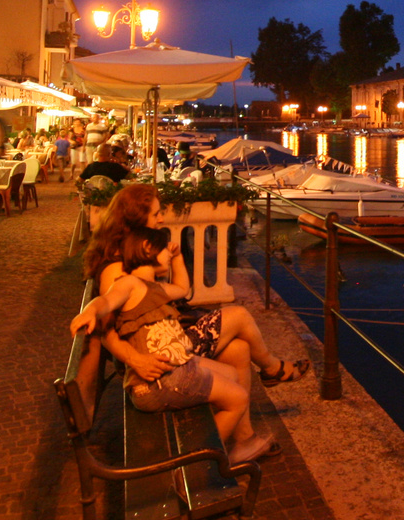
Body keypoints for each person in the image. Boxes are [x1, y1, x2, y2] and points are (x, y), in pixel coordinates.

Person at [73, 185, 306, 459]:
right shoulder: (118, 268)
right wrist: (136, 361)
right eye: (156, 214)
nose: (161, 219)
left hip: (167, 342)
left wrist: (176, 261)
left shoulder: (133, 255)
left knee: (241, 350)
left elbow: (179, 290)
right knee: (240, 316)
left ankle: (244, 439)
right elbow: (106, 329)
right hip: (153, 358)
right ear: (137, 219)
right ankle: (270, 370)